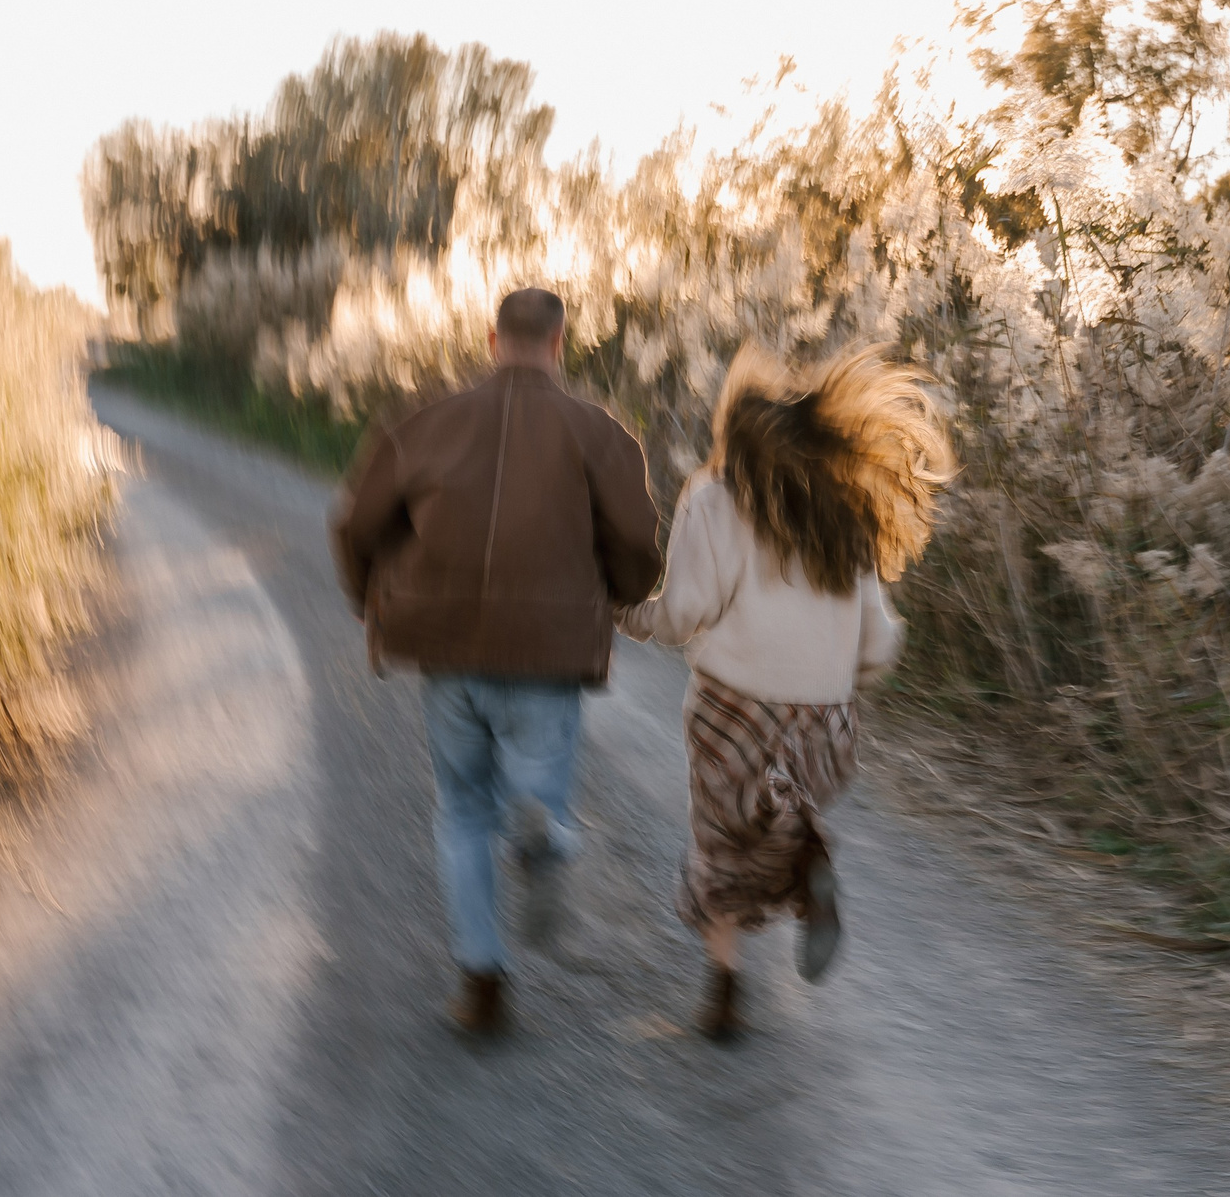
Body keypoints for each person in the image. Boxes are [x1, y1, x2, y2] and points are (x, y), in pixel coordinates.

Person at [329, 288, 662, 1035]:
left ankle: (481, 982)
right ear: (559, 341)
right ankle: (542, 824)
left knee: (462, 812)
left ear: (490, 339)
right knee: (535, 779)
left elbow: (354, 519)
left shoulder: (424, 423)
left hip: (447, 647)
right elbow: (639, 547)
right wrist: (620, 593)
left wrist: (366, 594)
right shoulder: (601, 434)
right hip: (547, 652)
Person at [619, 344, 954, 1040]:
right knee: (772, 824)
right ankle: (804, 858)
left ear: (729, 432)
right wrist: (837, 687)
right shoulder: (843, 512)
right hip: (826, 725)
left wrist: (635, 617)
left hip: (732, 710)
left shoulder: (712, 496)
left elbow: (685, 611)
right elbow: (879, 640)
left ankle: (724, 989)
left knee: (720, 842)